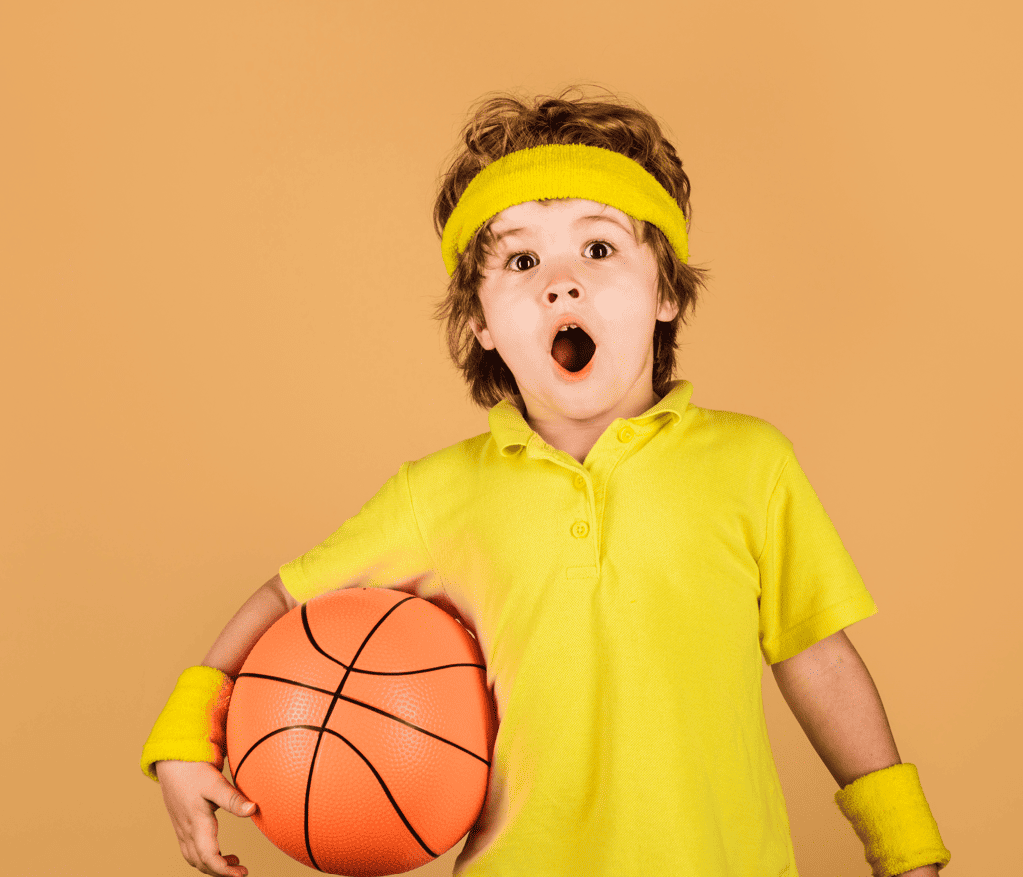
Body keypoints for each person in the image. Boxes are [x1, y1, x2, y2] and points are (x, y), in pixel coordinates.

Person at [141, 85, 951, 877]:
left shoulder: (751, 463)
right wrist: (185, 737)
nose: (560, 281)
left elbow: (818, 659)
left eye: (599, 248)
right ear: (481, 323)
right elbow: (285, 598)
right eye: (522, 259)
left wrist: (904, 844)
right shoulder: (437, 493)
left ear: (666, 292)